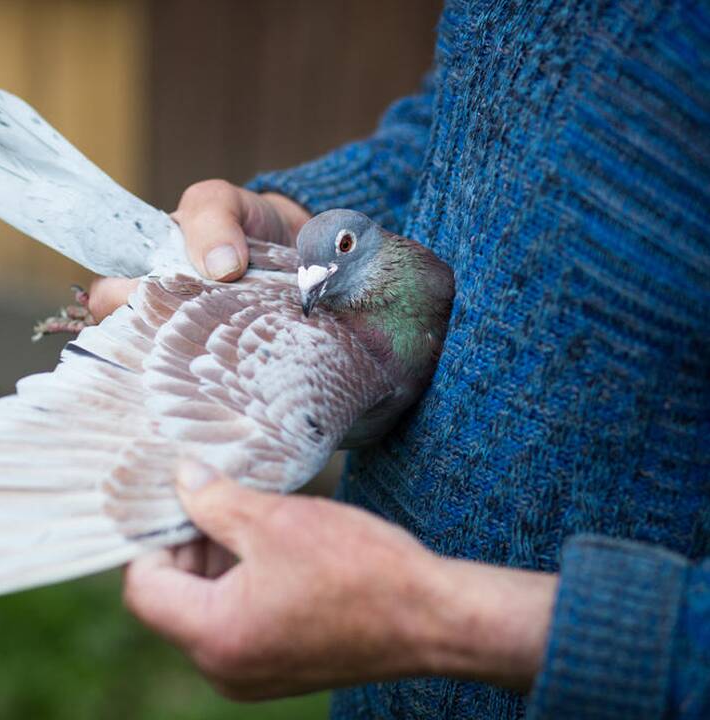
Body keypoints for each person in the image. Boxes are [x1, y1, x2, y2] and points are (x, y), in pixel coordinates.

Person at [87, 0, 709, 717]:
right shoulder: (330, 291)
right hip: (377, 653)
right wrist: (300, 217)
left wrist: (437, 616)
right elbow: (486, 101)